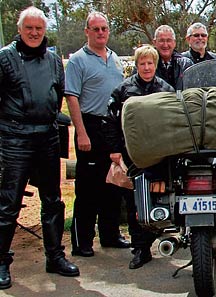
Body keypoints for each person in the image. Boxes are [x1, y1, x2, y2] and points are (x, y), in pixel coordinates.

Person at [0, 7, 80, 289]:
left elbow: (57, 93)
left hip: (47, 135)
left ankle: (55, 256)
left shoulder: (53, 59)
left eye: (39, 29)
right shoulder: (4, 57)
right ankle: (1, 262)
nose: (34, 33)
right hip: (14, 137)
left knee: (53, 200)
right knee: (8, 204)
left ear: (45, 31)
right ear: (20, 29)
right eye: (29, 28)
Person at [65, 11, 130, 258]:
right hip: (89, 126)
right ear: (87, 32)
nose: (101, 32)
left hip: (111, 127)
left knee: (112, 183)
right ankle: (82, 242)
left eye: (104, 28)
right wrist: (81, 133)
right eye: (96, 29)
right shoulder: (78, 60)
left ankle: (110, 234)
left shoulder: (114, 58)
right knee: (88, 188)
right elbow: (72, 97)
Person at [103, 45, 175, 269]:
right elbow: (110, 121)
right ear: (136, 65)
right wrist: (114, 150)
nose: (146, 67)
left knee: (159, 196)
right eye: (142, 63)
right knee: (135, 201)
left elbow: (175, 120)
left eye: (150, 63)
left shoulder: (165, 88)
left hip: (159, 155)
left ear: (155, 64)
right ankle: (140, 249)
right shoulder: (123, 90)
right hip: (131, 154)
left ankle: (159, 238)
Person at [152, 25, 193, 90]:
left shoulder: (185, 64)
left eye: (169, 40)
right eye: (161, 40)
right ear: (154, 42)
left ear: (174, 43)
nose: (165, 45)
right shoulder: (146, 64)